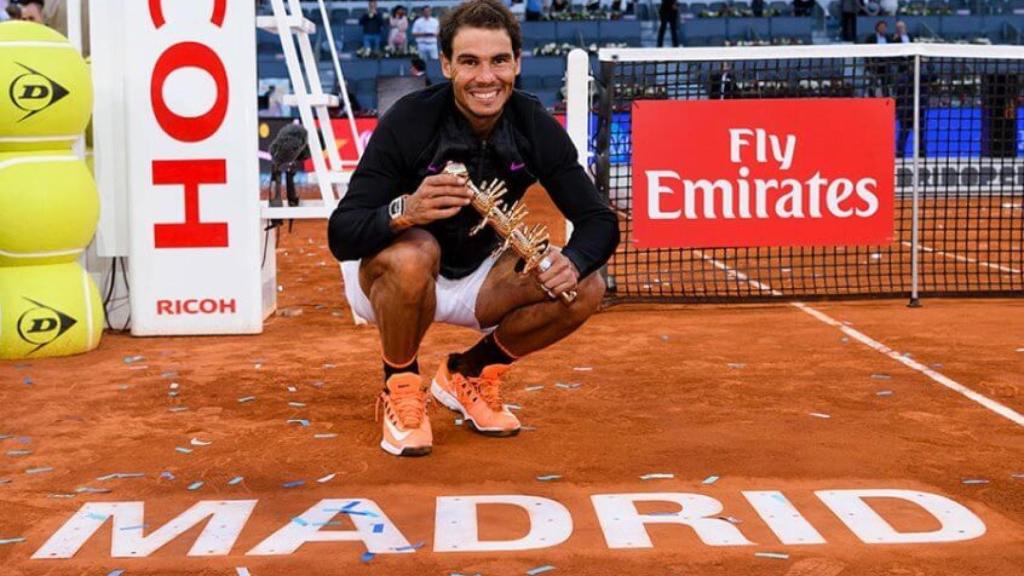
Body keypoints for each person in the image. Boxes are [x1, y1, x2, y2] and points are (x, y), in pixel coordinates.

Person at [328, 0, 619, 457]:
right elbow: (342, 233)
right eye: (470, 62)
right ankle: (400, 385)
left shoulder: (532, 124)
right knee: (415, 252)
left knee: (586, 286)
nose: (486, 77)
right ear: (446, 65)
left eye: (499, 60)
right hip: (393, 277)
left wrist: (576, 261)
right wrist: (405, 210)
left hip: (479, 275)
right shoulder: (409, 120)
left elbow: (598, 220)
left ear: (517, 63)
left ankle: (469, 373)